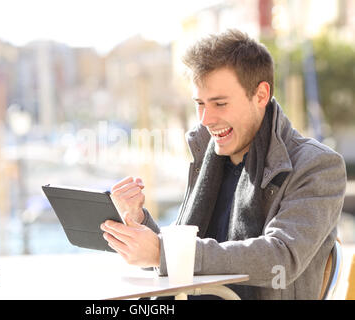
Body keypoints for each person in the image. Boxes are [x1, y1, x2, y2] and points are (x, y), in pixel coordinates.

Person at [100, 29, 347, 300]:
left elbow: (280, 258)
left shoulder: (317, 165)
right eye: (200, 104)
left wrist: (163, 251)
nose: (206, 119)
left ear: (261, 95)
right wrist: (140, 226)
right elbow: (189, 259)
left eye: (220, 103)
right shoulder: (207, 157)